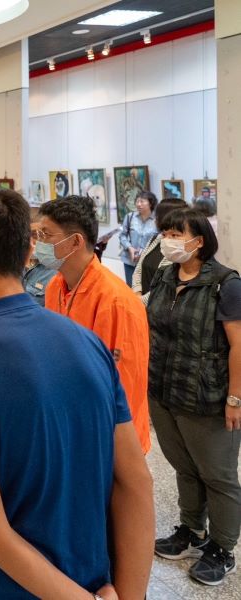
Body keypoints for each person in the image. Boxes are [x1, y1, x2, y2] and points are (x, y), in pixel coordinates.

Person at [0, 184, 154, 599]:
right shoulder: (88, 343)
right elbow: (136, 482)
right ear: (28, 250)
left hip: (1, 589)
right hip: (90, 577)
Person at [146, 207, 241, 586]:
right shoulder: (165, 275)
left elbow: (239, 346)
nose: (167, 240)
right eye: (165, 233)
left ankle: (222, 548)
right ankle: (192, 531)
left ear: (198, 241)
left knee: (217, 475)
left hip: (208, 396)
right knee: (184, 467)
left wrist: (235, 398)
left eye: (176, 233)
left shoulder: (225, 284)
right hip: (165, 389)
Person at [39, 196, 152, 454]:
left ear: (75, 241)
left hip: (111, 439)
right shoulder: (55, 286)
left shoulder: (116, 301)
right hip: (70, 426)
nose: (39, 243)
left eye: (46, 234)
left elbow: (125, 386)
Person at [131, 198, 186, 305]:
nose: (155, 219)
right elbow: (138, 269)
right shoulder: (156, 238)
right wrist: (137, 294)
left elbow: (164, 286)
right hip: (141, 305)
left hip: (159, 306)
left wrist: (139, 302)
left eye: (157, 215)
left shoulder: (179, 247)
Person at [119, 191, 159, 285]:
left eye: (142, 201)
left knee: (147, 288)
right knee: (131, 288)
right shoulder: (130, 217)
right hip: (130, 261)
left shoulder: (157, 220)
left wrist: (145, 253)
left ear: (151, 203)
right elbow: (122, 235)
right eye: (137, 201)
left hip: (149, 262)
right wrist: (129, 247)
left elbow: (160, 240)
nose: (138, 204)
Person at [22, 220, 57, 307]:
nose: (31, 241)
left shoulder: (55, 273)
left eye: (38, 235)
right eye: (28, 235)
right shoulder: (15, 265)